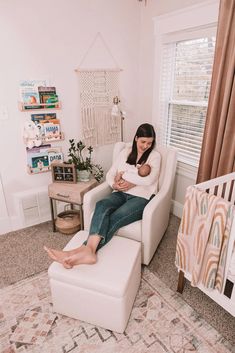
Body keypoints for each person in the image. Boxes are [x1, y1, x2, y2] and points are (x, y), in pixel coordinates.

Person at [44, 123, 161, 269]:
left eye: (149, 143)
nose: (146, 146)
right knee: (102, 205)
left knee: (116, 216)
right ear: (136, 138)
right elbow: (110, 174)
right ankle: (87, 253)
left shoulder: (155, 157)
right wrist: (114, 185)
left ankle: (77, 252)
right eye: (143, 142)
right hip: (120, 192)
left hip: (141, 198)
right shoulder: (126, 152)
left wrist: (127, 178)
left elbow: (149, 180)